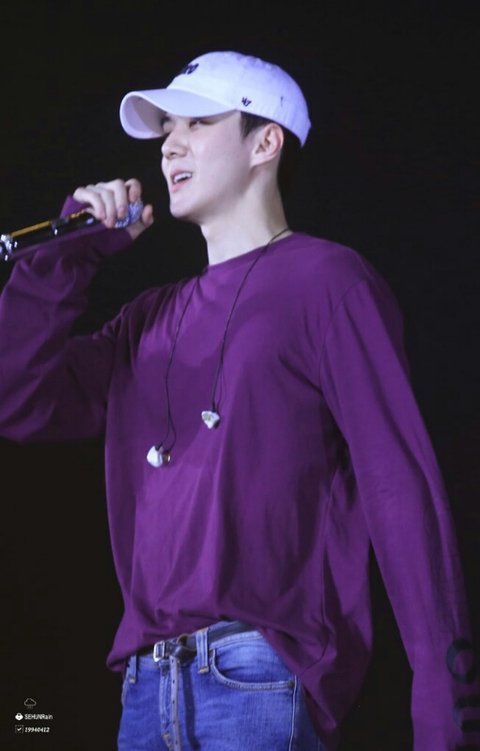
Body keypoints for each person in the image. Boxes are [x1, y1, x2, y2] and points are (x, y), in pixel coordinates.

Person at [0, 50, 478, 750]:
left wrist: (446, 707)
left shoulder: (328, 281)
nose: (170, 144)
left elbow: (399, 486)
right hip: (144, 690)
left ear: (265, 143)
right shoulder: (147, 320)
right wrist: (66, 254)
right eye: (167, 129)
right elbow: (17, 396)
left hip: (258, 677)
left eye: (197, 122)